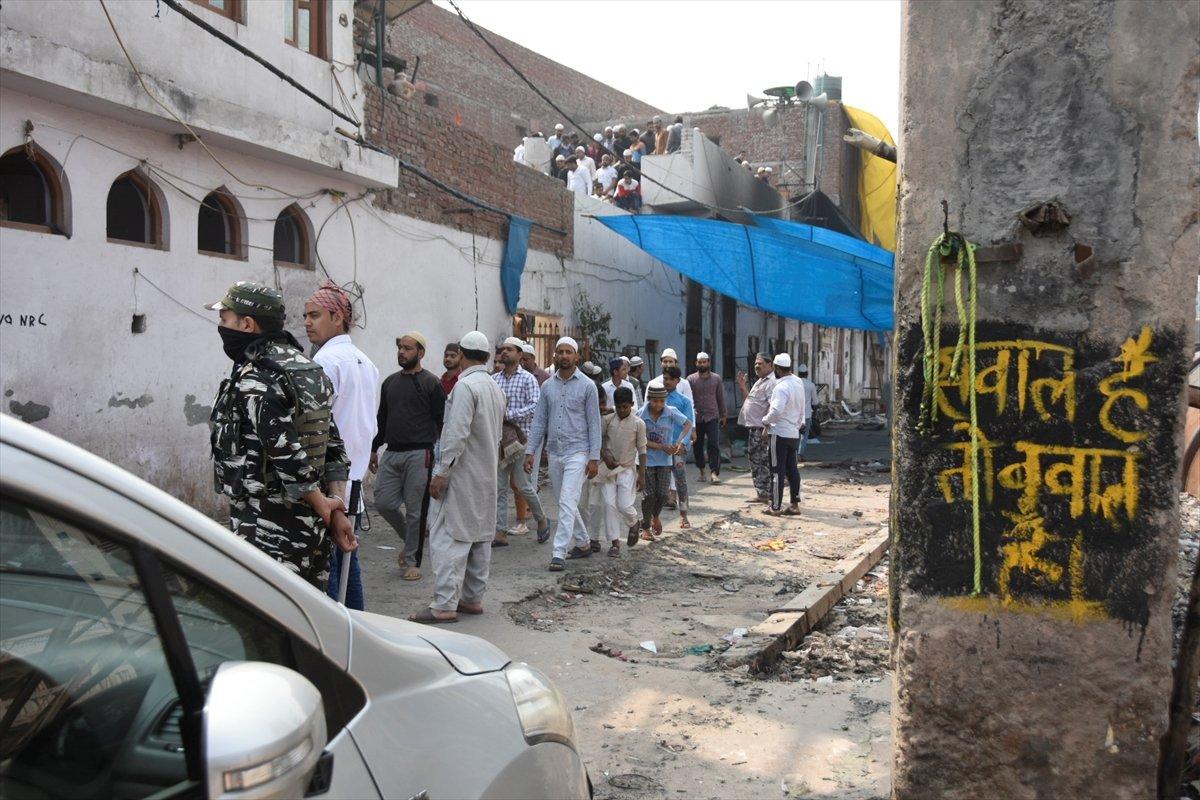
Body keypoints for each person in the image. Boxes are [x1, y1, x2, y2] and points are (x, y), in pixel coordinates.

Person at [207, 281, 355, 587]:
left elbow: (286, 455)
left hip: (267, 528)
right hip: (312, 529)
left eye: (225, 319)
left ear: (246, 324)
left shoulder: (258, 376)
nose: (221, 326)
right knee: (309, 619)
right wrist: (335, 506)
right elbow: (333, 448)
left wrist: (323, 505)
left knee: (269, 622)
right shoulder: (308, 369)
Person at [410, 331, 507, 624]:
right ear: (488, 357)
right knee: (479, 537)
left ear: (462, 355)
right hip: (487, 474)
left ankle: (443, 605)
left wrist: (441, 473)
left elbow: (455, 434)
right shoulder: (493, 387)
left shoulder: (465, 387)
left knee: (449, 537)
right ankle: (472, 598)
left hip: (463, 475)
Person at [304, 281, 379, 610]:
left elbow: (317, 430)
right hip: (352, 482)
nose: (307, 322)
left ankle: (341, 640)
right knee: (347, 559)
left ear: (338, 318)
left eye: (315, 315)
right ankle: (358, 630)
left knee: (329, 566)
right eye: (305, 315)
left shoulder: (325, 364)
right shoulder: (366, 362)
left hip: (330, 482)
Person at [370, 332, 446, 581]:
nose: (402, 352)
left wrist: (439, 456)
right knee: (383, 502)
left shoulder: (431, 383)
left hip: (419, 453)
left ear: (420, 353)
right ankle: (410, 537)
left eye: (408, 348)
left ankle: (413, 560)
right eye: (400, 348)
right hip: (392, 452)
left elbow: (441, 421)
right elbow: (382, 419)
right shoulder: (390, 382)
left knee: (416, 510)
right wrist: (374, 448)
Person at [524, 336, 601, 571]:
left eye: (569, 352)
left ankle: (558, 552)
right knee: (564, 501)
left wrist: (594, 457)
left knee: (567, 501)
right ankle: (584, 542)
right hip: (554, 452)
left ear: (577, 357)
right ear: (555, 356)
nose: (565, 356)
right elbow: (539, 422)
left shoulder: (588, 386)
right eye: (561, 352)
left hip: (579, 451)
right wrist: (530, 451)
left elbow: (594, 423)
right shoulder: (547, 386)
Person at [493, 336, 549, 547]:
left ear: (520, 354)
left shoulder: (528, 379)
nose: (505, 352)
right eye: (503, 349)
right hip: (500, 442)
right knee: (499, 488)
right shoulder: (495, 379)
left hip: (522, 440)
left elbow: (535, 406)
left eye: (510, 349)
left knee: (523, 486)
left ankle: (541, 519)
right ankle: (500, 532)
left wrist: (509, 415)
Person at [637, 380, 692, 542]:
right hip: (646, 460)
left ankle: (655, 516)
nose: (658, 404)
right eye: (655, 401)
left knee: (662, 494)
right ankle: (645, 527)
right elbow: (639, 439)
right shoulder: (641, 414)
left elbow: (688, 424)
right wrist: (661, 446)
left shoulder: (671, 412)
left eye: (662, 401)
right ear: (649, 400)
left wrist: (680, 442)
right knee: (648, 495)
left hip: (665, 461)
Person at [595, 386, 646, 558]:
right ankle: (615, 542)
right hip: (607, 468)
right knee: (609, 505)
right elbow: (599, 440)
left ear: (631, 404)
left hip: (627, 469)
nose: (622, 410)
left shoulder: (638, 423)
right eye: (618, 407)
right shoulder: (608, 419)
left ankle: (634, 522)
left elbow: (642, 450)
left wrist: (642, 475)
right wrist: (605, 454)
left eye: (625, 407)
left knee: (624, 505)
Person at [763, 353, 806, 516]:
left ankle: (775, 506)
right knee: (792, 469)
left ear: (777, 369)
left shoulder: (781, 387)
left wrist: (765, 421)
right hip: (793, 433)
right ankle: (794, 504)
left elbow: (776, 410)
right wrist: (799, 424)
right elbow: (802, 406)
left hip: (779, 433)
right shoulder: (797, 382)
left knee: (776, 471)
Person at [737, 353, 777, 503]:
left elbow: (772, 407)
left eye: (760, 364)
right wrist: (742, 386)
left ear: (770, 365)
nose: (757, 366)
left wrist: (767, 427)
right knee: (755, 460)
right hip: (754, 428)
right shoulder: (760, 381)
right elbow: (751, 401)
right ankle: (762, 493)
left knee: (762, 461)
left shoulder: (771, 382)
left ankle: (767, 493)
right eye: (755, 364)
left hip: (761, 428)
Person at [659, 366, 693, 530]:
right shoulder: (657, 400)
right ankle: (655, 519)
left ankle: (684, 516)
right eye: (665, 378)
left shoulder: (684, 401)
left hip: (678, 448)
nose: (667, 381)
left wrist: (683, 445)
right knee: (659, 484)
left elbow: (689, 424)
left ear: (677, 381)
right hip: (661, 448)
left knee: (680, 481)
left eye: (670, 379)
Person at [687, 351, 727, 484]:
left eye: (705, 362)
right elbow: (688, 400)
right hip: (696, 418)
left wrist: (724, 414)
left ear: (708, 362)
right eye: (700, 362)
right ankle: (701, 470)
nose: (702, 364)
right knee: (697, 444)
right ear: (696, 363)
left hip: (712, 416)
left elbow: (720, 397)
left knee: (713, 444)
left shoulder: (716, 379)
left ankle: (714, 473)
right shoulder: (691, 379)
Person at [796, 363, 817, 458]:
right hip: (807, 414)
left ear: (798, 373)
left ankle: (793, 454)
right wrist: (815, 409)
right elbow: (815, 401)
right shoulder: (811, 385)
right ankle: (800, 453)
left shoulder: (794, 384)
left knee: (795, 434)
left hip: (795, 414)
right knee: (804, 436)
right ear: (807, 373)